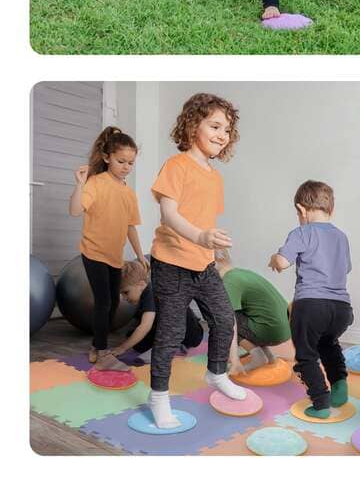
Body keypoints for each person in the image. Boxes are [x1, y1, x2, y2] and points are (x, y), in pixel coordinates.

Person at [147, 94, 245, 429]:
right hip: (171, 264)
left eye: (227, 129)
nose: (222, 134)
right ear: (193, 126)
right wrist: (200, 236)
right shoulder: (176, 166)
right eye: (215, 126)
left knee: (224, 320)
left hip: (203, 265)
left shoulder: (215, 176)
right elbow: (169, 213)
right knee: (171, 333)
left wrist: (212, 243)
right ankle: (158, 396)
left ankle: (217, 373)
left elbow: (205, 218)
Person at [269, 181, 353, 418]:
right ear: (331, 210)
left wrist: (275, 258)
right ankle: (339, 385)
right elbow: (344, 268)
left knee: (306, 354)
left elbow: (283, 262)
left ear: (301, 209)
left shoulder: (302, 232)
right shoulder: (341, 236)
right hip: (341, 308)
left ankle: (320, 403)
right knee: (328, 343)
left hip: (310, 305)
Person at [68, 126, 146, 371]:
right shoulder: (95, 183)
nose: (126, 167)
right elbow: (75, 210)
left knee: (113, 303)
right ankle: (102, 354)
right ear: (106, 158)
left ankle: (96, 346)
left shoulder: (128, 193)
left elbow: (131, 226)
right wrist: (80, 184)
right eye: (121, 161)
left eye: (130, 163)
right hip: (93, 251)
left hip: (114, 256)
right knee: (103, 302)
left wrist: (140, 255)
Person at [214, 248, 292, 372]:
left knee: (222, 318)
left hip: (270, 332)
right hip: (285, 331)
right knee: (253, 313)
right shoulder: (241, 273)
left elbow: (228, 322)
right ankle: (269, 355)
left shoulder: (230, 281)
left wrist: (234, 359)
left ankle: (257, 355)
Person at [113, 259, 205, 360]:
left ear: (141, 284)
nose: (124, 297)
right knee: (137, 342)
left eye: (126, 292)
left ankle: (175, 347)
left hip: (190, 335)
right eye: (121, 294)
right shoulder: (150, 290)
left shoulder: (150, 294)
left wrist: (122, 348)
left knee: (139, 341)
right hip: (185, 330)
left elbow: (145, 326)